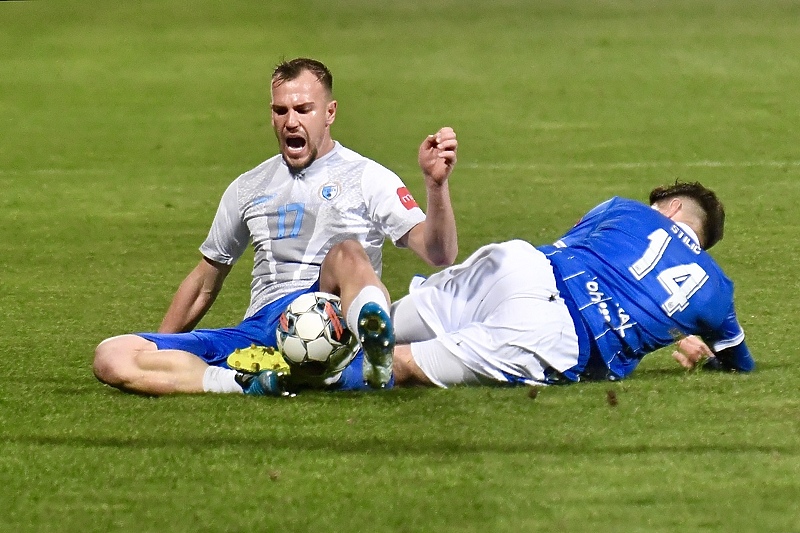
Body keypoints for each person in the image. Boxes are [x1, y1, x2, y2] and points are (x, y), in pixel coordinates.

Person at [92, 57, 458, 396]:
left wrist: (435, 186)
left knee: (346, 253)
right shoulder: (249, 187)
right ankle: (245, 382)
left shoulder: (367, 178)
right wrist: (161, 344)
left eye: (303, 109)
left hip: (334, 324)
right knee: (112, 355)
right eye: (280, 110)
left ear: (329, 113)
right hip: (260, 333)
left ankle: (374, 346)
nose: (291, 121)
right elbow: (205, 281)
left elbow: (439, 252)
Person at [386, 180, 753, 389]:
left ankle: (340, 328)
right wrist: (708, 361)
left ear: (672, 208)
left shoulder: (623, 207)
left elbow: (574, 242)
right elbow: (741, 364)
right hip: (556, 330)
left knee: (377, 327)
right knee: (400, 365)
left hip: (519, 263)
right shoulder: (718, 292)